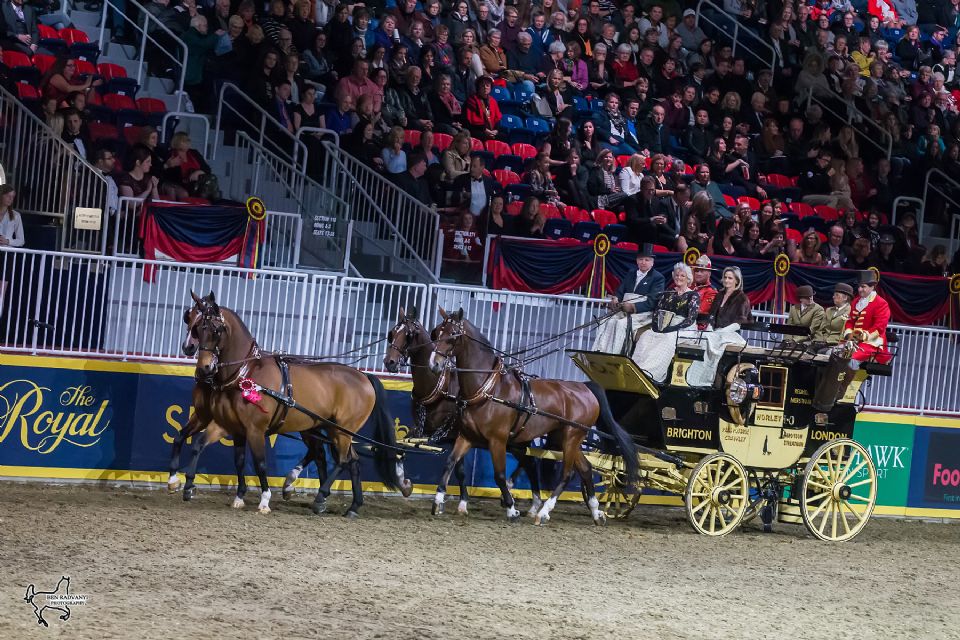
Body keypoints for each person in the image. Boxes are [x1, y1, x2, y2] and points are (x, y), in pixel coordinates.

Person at [630, 262, 701, 383]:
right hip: (665, 324)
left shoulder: (693, 295)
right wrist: (657, 326)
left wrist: (673, 328)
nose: (679, 278)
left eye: (682, 276)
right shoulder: (668, 292)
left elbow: (691, 319)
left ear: (688, 278)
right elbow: (657, 310)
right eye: (677, 275)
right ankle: (636, 368)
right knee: (647, 336)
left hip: (684, 328)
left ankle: (651, 373)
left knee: (666, 339)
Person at [593, 243, 665, 355]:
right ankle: (600, 350)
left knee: (622, 324)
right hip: (624, 309)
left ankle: (615, 354)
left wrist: (633, 307)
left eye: (647, 260)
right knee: (606, 320)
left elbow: (652, 302)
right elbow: (621, 290)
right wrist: (616, 298)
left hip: (642, 313)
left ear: (652, 262)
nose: (643, 262)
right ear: (637, 260)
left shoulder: (657, 278)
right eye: (641, 259)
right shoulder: (631, 273)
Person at [840, 270, 892, 367]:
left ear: (872, 287)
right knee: (835, 354)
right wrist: (849, 335)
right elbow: (850, 321)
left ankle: (847, 381)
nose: (860, 289)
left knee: (851, 358)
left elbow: (879, 328)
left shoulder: (881, 303)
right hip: (854, 341)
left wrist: (862, 336)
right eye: (859, 286)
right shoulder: (856, 301)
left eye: (863, 286)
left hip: (872, 343)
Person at [691, 254, 717, 329]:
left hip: (700, 329)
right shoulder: (690, 287)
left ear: (709, 273)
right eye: (697, 270)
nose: (698, 273)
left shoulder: (712, 292)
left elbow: (700, 310)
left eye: (702, 271)